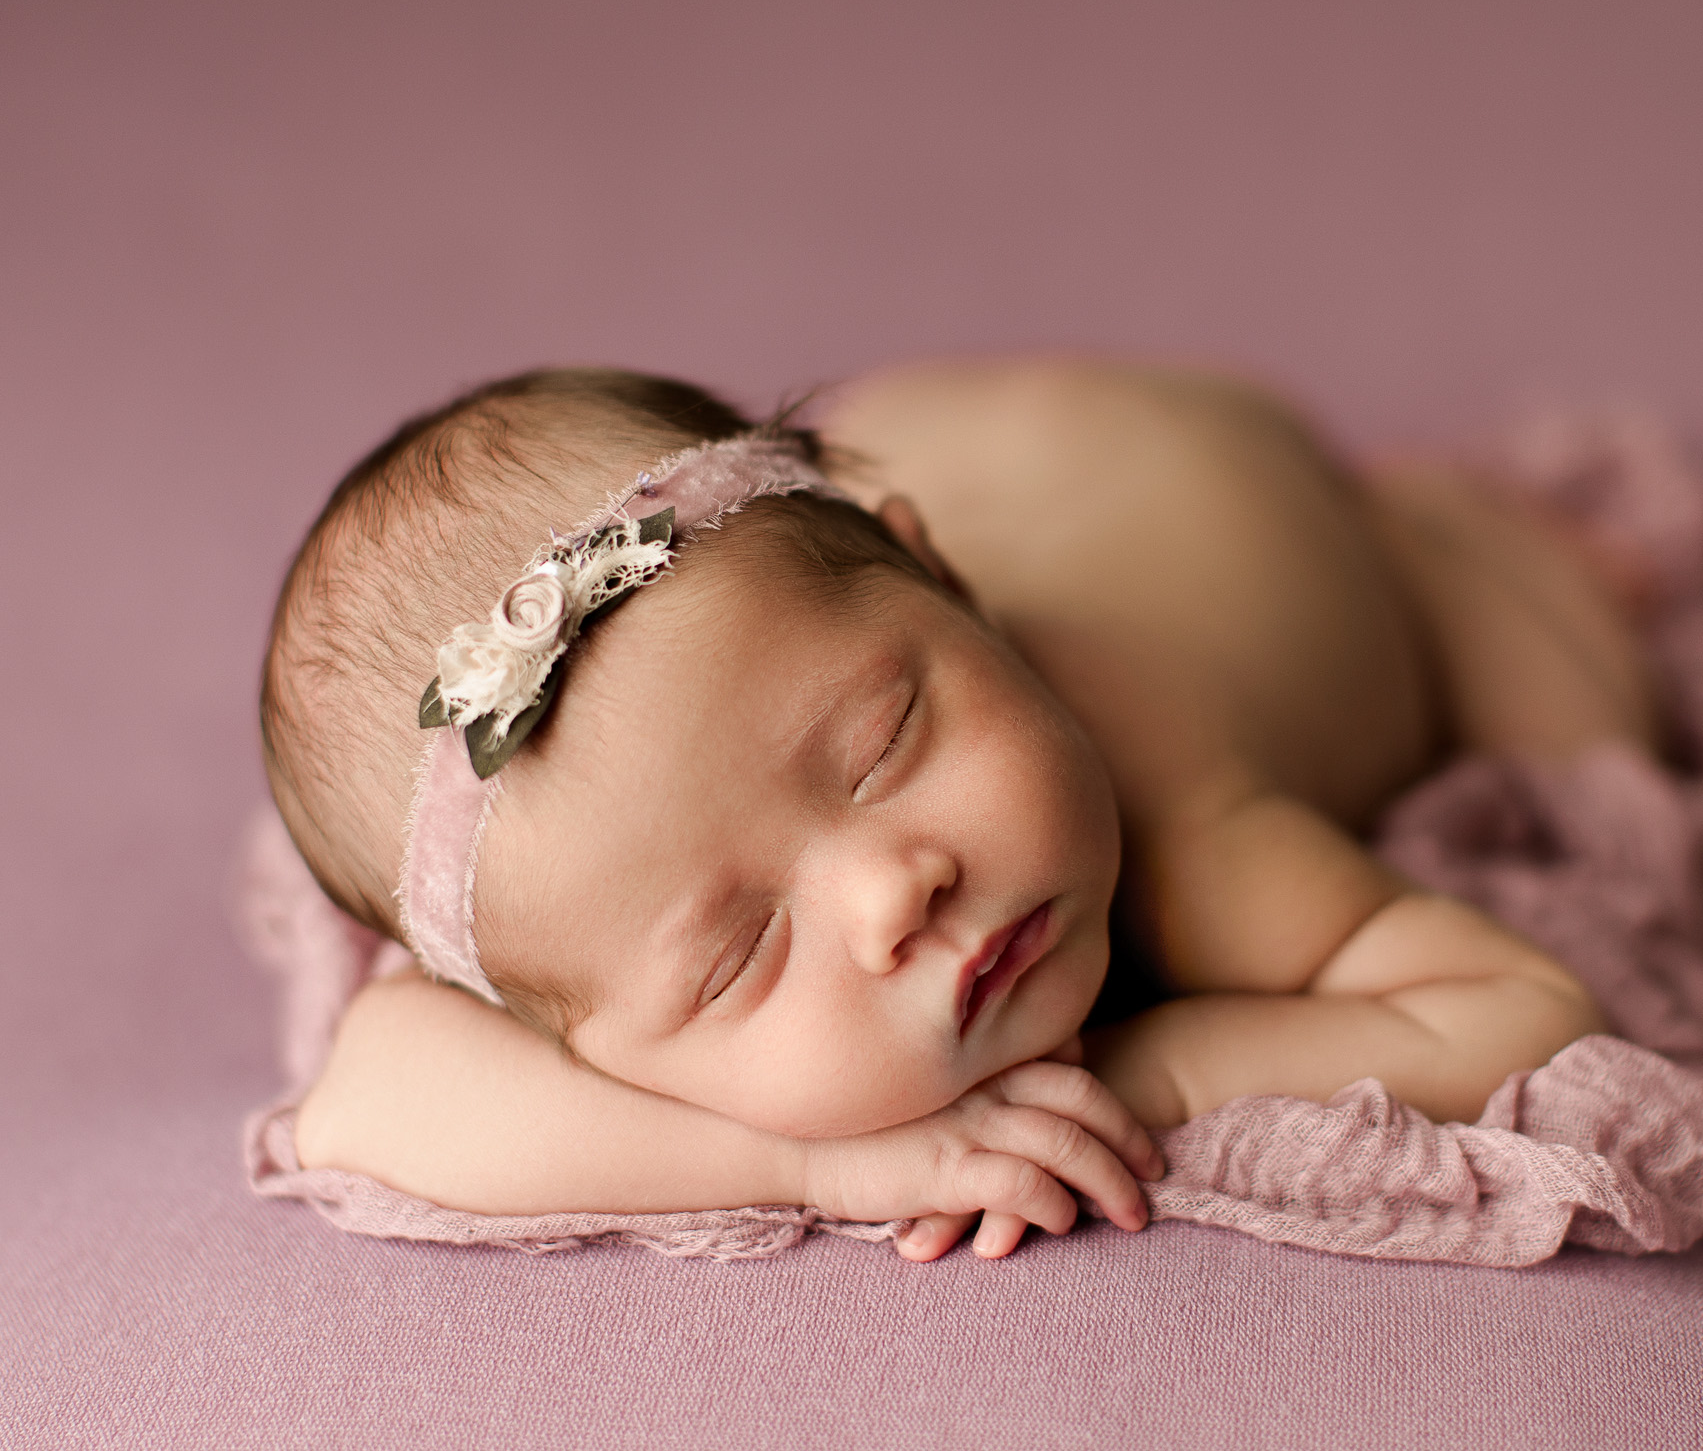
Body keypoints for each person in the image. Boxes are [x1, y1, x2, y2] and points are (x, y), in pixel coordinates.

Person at [264, 360, 1633, 1262]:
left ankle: (1437, 529)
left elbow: (1519, 1006)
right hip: (971, 441)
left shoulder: (1175, 811)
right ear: (576, 1040)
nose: (890, 891)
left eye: (882, 746)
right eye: (738, 954)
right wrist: (812, 1160)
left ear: (948, 587)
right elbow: (360, 1095)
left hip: (1255, 501)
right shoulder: (576, 872)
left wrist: (1132, 1076)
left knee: (1603, 733)